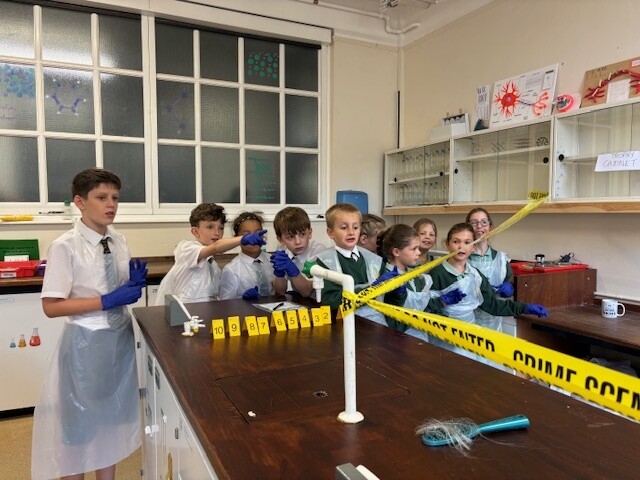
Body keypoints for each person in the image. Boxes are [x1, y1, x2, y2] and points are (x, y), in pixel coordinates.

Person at [31, 168, 147, 480]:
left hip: (119, 341)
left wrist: (130, 288)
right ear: (80, 202)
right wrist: (106, 300)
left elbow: (117, 289)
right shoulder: (65, 246)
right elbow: (51, 307)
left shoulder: (118, 241)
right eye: (102, 197)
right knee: (79, 428)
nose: (111, 204)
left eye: (115, 198)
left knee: (111, 424)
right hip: (86, 344)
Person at [426, 223, 548, 364]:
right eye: (456, 241)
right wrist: (440, 303)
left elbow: (493, 305)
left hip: (468, 338)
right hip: (444, 339)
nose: (461, 247)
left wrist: (525, 308)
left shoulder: (475, 275)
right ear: (447, 244)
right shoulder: (437, 273)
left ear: (473, 247)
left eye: (467, 242)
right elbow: (423, 309)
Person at [155, 203, 267, 305]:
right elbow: (216, 247)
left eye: (221, 228)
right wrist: (243, 238)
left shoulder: (213, 265)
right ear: (195, 231)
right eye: (210, 227)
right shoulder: (187, 249)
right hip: (184, 314)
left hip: (204, 315)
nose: (217, 233)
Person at [315, 203, 397, 326]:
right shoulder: (325, 261)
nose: (351, 232)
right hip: (345, 325)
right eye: (344, 228)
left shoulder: (374, 260)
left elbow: (389, 301)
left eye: (355, 227)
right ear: (331, 233)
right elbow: (329, 302)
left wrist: (398, 292)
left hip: (377, 324)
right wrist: (370, 289)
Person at [378, 224, 463, 340]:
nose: (418, 252)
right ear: (396, 252)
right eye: (414, 249)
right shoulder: (387, 280)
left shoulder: (413, 275)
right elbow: (392, 321)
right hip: (398, 341)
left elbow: (419, 306)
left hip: (419, 338)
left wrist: (440, 302)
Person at [465, 207, 514, 332]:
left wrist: (509, 286)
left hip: (494, 324)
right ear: (468, 228)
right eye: (474, 222)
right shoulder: (461, 258)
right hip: (466, 324)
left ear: (490, 227)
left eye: (484, 222)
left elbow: (510, 280)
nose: (479, 226)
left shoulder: (501, 259)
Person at [270, 206, 327, 298]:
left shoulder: (319, 252)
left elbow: (307, 292)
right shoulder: (282, 251)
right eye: (290, 237)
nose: (298, 242)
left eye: (302, 234)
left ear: (310, 233)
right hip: (298, 301)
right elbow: (280, 292)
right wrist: (279, 274)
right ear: (280, 239)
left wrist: (293, 271)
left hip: (318, 303)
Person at [219, 212, 275, 300]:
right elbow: (226, 304)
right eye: (247, 235)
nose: (254, 238)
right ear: (237, 238)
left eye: (258, 233)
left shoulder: (273, 261)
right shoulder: (231, 270)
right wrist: (243, 301)